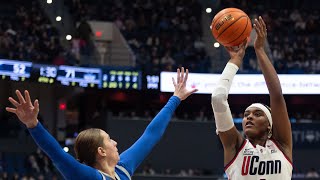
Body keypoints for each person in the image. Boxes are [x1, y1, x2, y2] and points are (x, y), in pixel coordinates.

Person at [6, 67, 198, 180]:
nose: (115, 142)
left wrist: (175, 99)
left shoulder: (122, 169)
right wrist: (33, 124)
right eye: (108, 139)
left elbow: (151, 135)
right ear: (101, 151)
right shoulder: (88, 177)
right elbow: (56, 154)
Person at [211, 16, 293, 179]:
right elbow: (218, 99)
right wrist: (235, 61)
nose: (249, 117)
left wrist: (260, 51)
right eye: (246, 114)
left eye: (257, 114)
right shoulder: (234, 147)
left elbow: (276, 95)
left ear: (270, 125)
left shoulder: (282, 145)